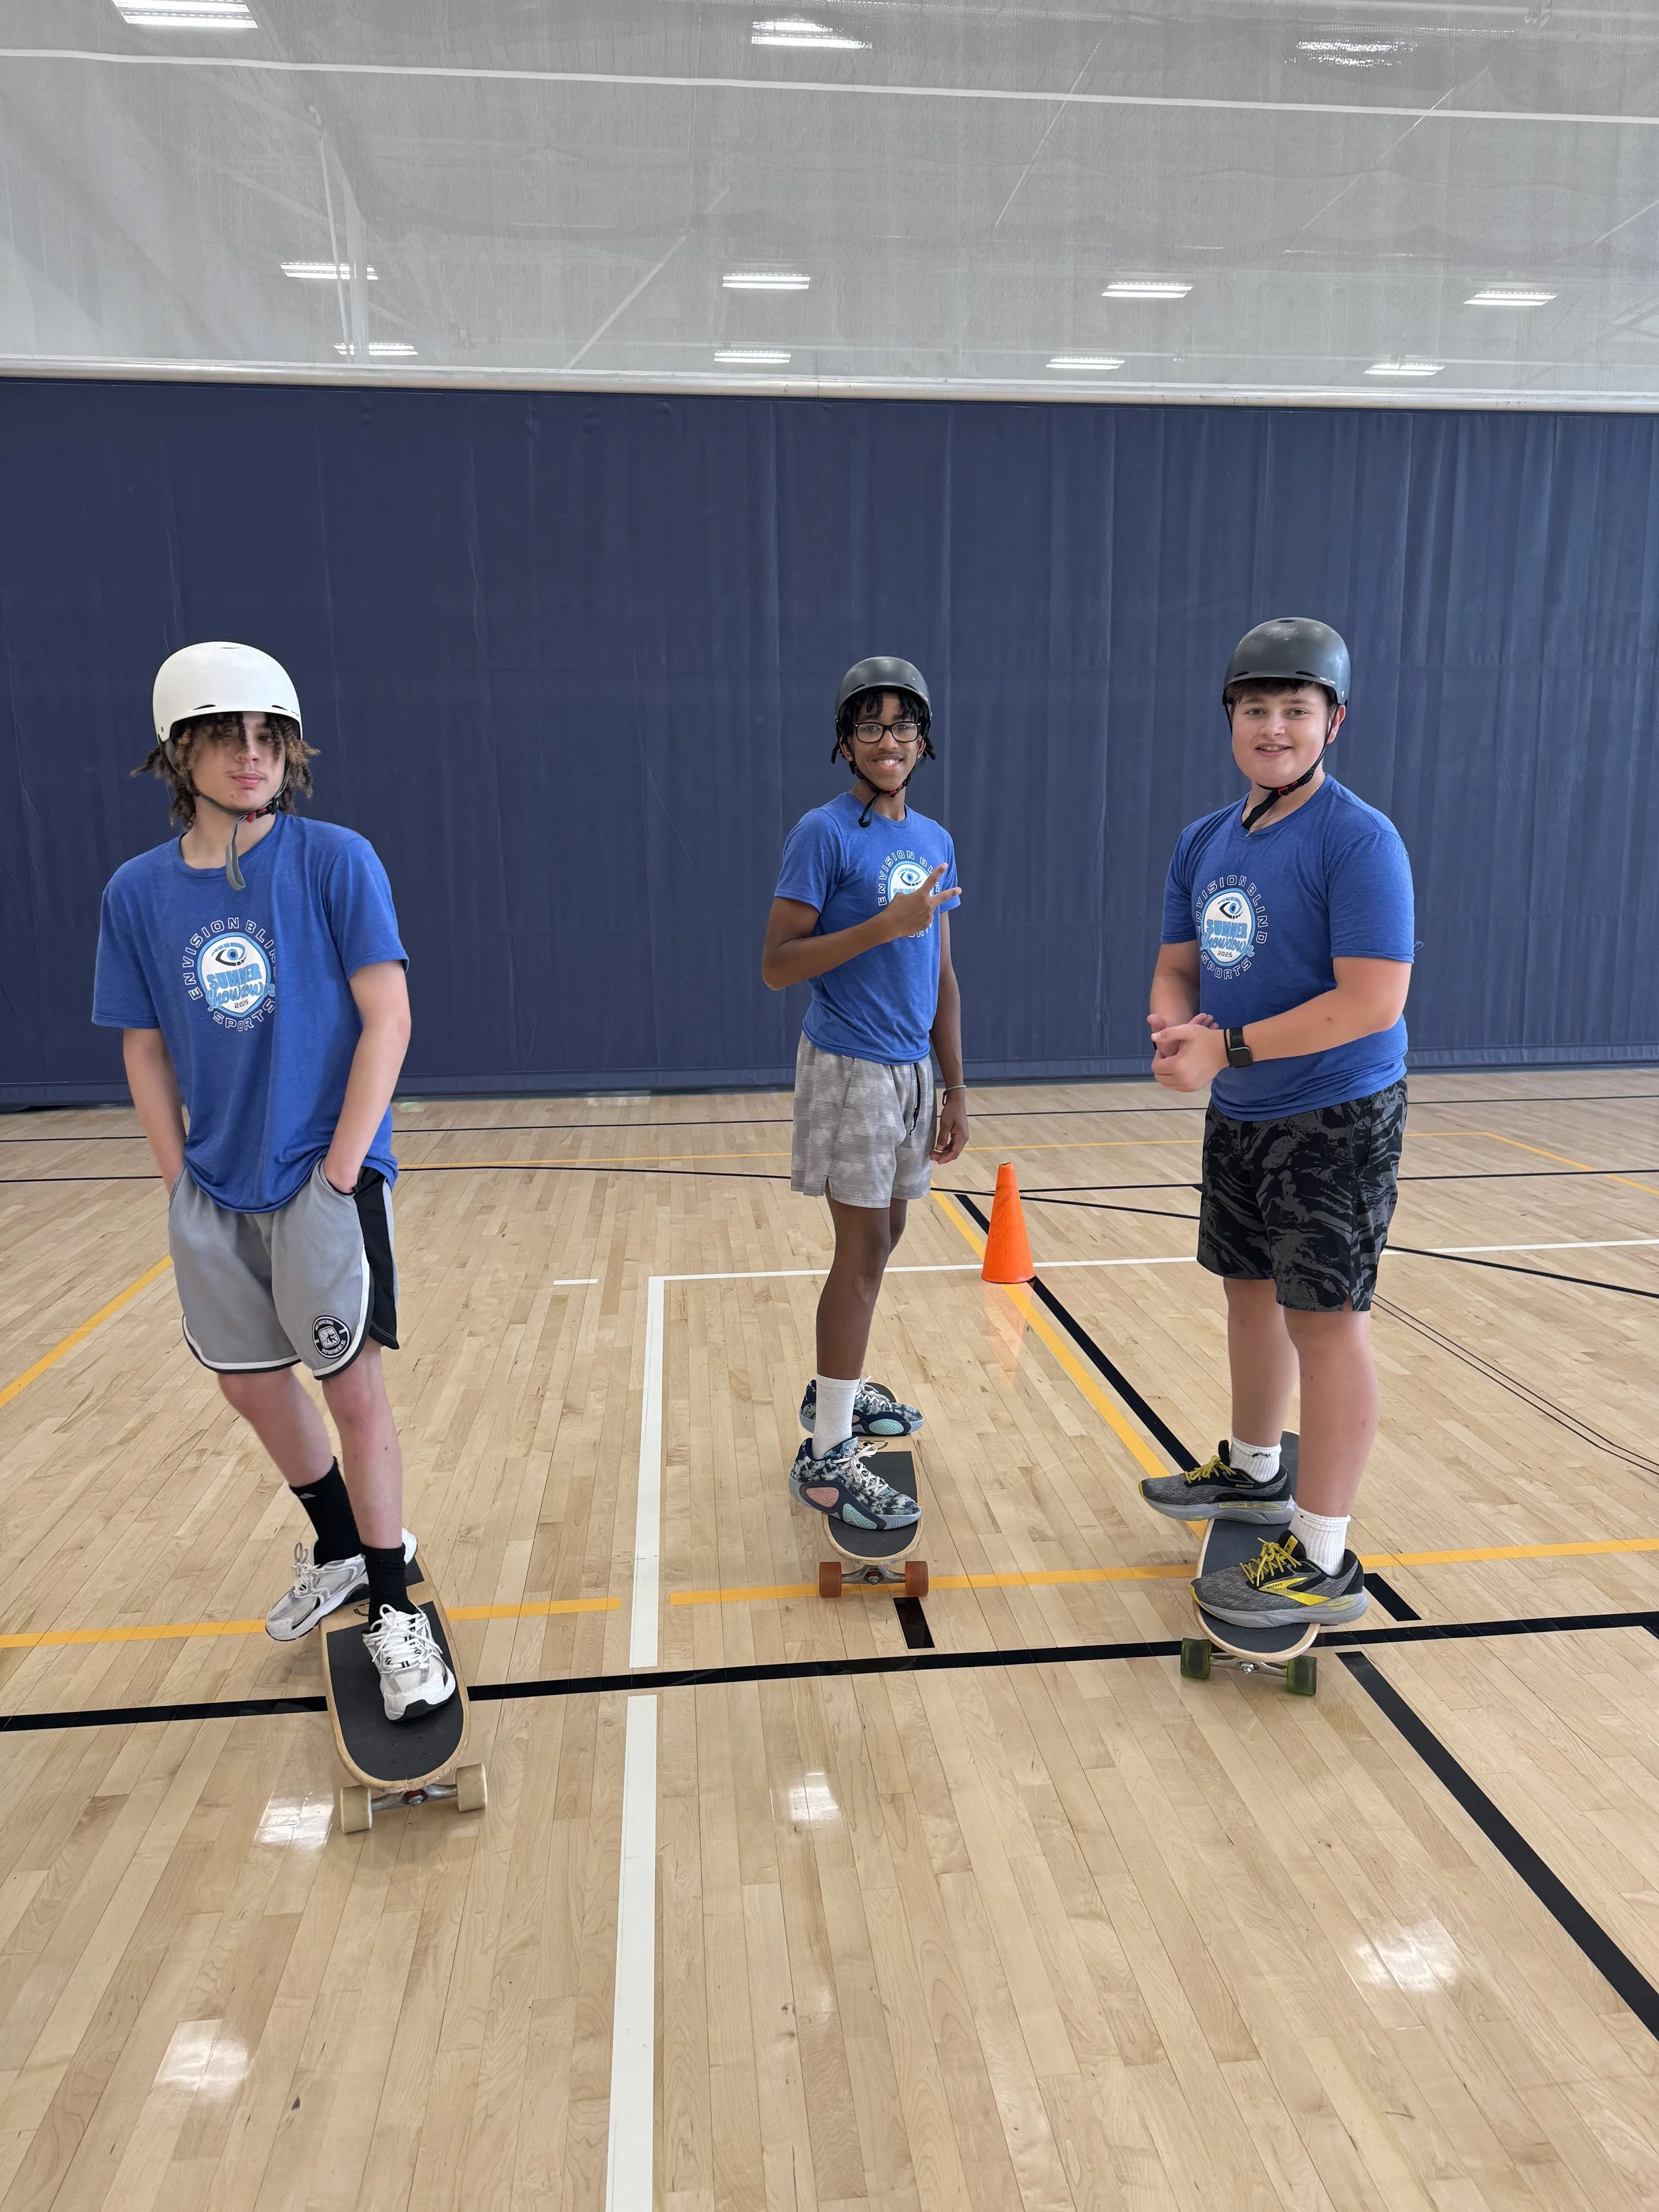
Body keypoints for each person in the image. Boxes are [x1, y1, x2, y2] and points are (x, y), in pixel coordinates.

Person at [92, 640, 455, 1720]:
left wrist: (342, 1172)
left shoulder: (337, 859)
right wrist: (176, 1179)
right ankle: (339, 1546)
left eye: (267, 736)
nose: (249, 756)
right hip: (214, 1185)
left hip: (322, 1177)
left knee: (352, 1389)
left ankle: (394, 1607)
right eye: (222, 734)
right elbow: (144, 1044)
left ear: (290, 750)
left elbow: (387, 1019)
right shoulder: (138, 893)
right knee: (247, 1381)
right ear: (179, 752)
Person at [1139, 617, 1414, 1628]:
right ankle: (1255, 1472)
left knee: (1328, 1325)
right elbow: (1179, 964)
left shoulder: (1358, 839)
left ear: (1332, 722)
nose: (1274, 727)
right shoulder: (1204, 841)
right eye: (1256, 709)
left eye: (1296, 710)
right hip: (1242, 1110)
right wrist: (1175, 1029)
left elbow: (1372, 1000)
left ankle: (1327, 1554)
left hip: (1333, 1117)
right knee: (1247, 1294)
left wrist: (1231, 1048)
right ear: (1231, 720)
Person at [761, 656, 967, 1530]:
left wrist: (955, 1084)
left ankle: (833, 1387)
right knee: (860, 1249)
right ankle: (829, 1455)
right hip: (849, 1067)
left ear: (924, 740)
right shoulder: (823, 833)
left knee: (888, 1234)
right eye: (872, 726)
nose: (891, 741)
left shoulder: (935, 839)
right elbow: (776, 966)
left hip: (913, 1071)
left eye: (904, 726)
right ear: (845, 741)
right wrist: (884, 924)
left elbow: (943, 971)